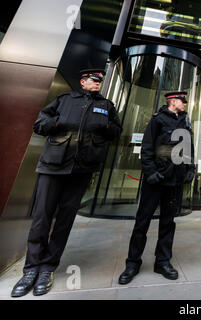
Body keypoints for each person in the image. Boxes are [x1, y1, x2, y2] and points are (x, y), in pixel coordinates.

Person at [11, 69, 122, 298]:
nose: (97, 83)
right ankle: (30, 270)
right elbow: (40, 124)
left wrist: (106, 128)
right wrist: (59, 122)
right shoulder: (65, 100)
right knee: (42, 218)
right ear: (83, 82)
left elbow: (117, 131)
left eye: (100, 81)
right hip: (54, 166)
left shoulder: (107, 105)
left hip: (82, 168)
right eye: (94, 80)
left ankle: (47, 269)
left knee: (64, 221)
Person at [118, 91, 195, 284]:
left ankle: (162, 261)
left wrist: (190, 168)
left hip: (175, 181)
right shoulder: (157, 120)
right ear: (173, 101)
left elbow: (189, 147)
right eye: (182, 101)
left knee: (168, 223)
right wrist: (151, 172)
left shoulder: (186, 122)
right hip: (156, 180)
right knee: (142, 222)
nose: (185, 104)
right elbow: (147, 148)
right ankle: (132, 263)